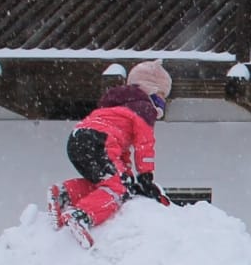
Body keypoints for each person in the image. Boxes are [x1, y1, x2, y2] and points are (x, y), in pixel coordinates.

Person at [48, 60, 173, 239]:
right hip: (99, 142)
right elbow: (144, 144)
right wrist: (145, 176)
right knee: (118, 188)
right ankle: (81, 216)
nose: (163, 101)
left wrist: (128, 175)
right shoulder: (144, 108)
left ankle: (64, 194)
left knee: (109, 181)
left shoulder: (118, 105)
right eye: (162, 95)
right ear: (151, 89)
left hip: (78, 140)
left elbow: (120, 151)